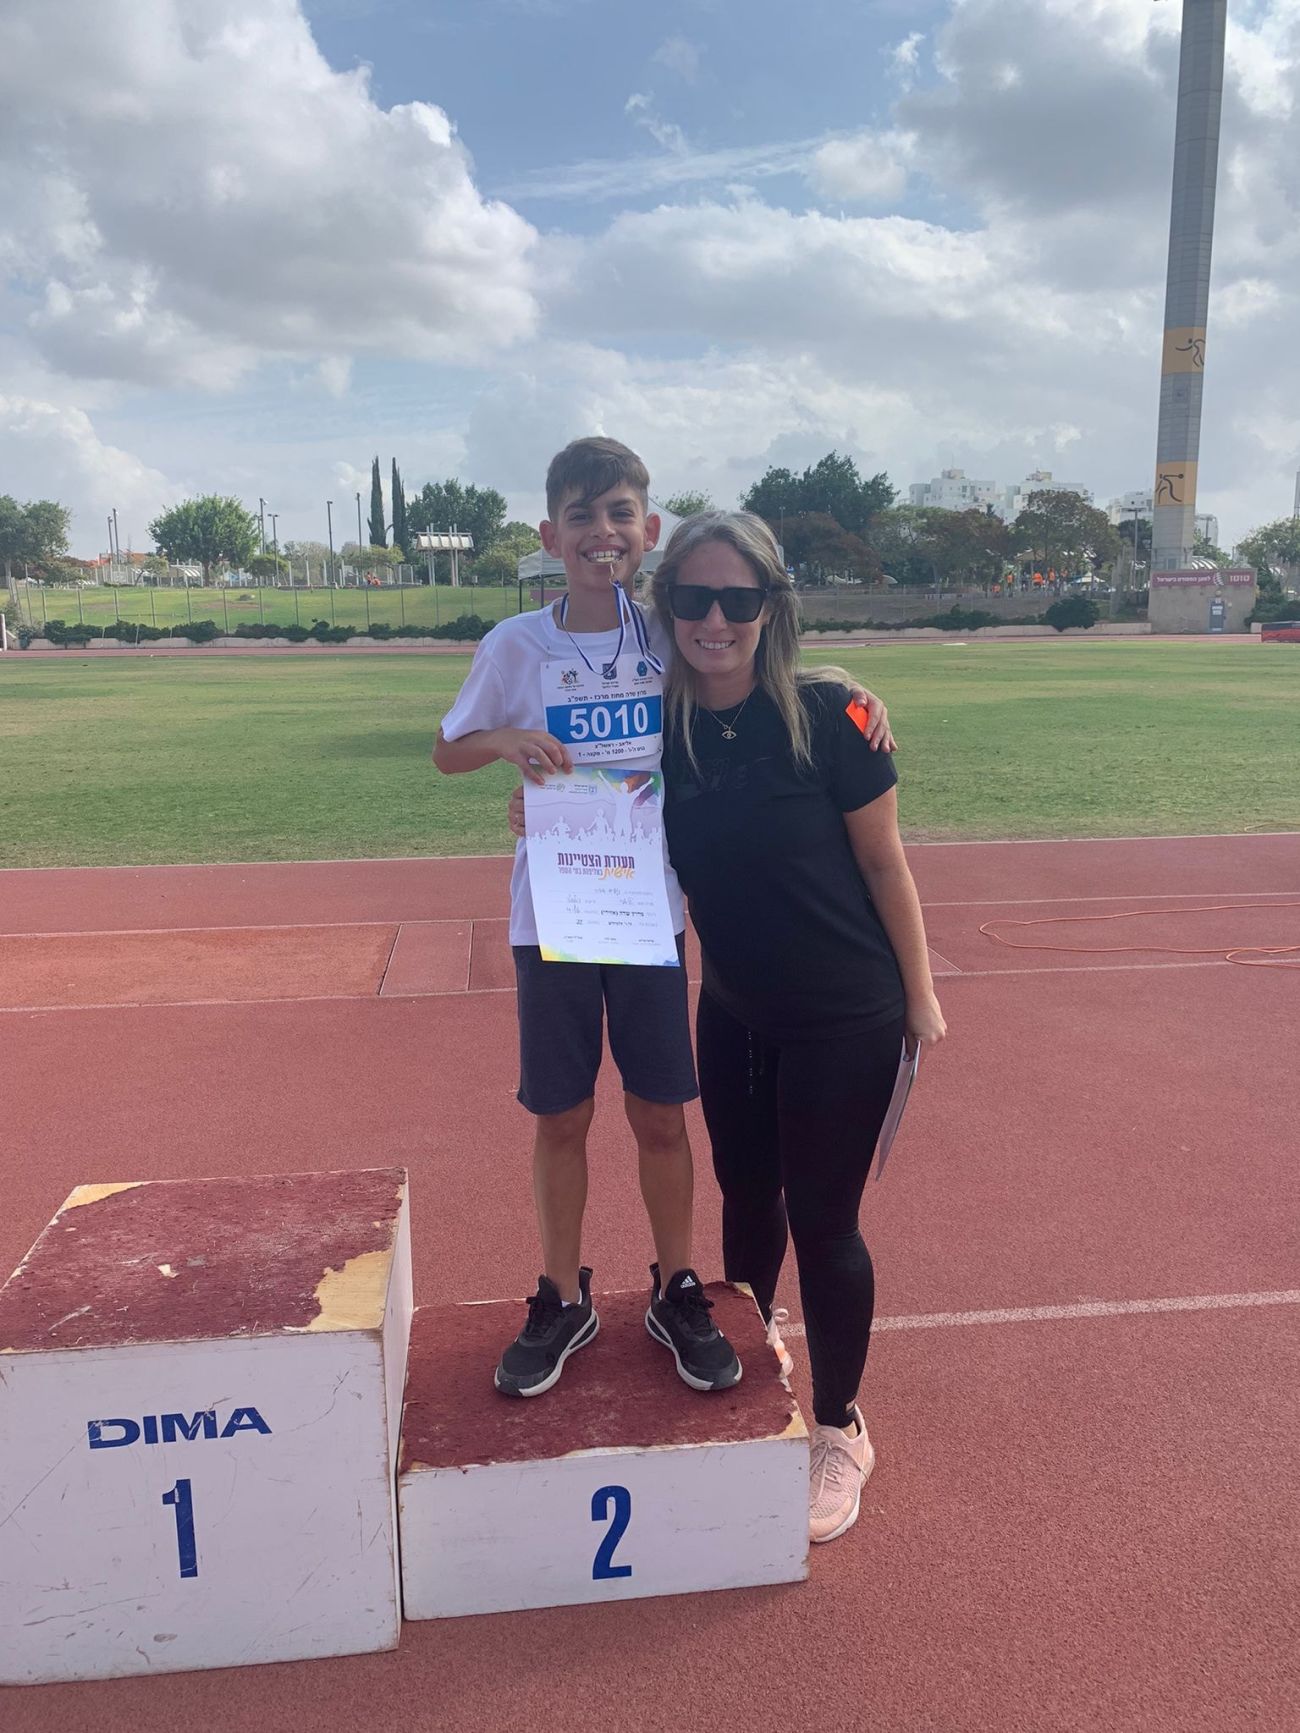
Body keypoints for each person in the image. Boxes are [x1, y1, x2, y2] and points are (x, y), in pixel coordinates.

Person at [646, 510, 947, 1544]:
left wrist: (921, 996)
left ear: (771, 607)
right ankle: (751, 1349)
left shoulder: (833, 716)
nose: (714, 618)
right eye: (693, 597)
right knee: (746, 1194)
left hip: (843, 1013)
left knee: (825, 1221)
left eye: (738, 597)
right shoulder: (659, 725)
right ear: (668, 606)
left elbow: (884, 864)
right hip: (733, 1007)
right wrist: (534, 811)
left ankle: (840, 1425)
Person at [434, 441, 751, 1398]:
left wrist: (854, 690)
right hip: (554, 916)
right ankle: (562, 1294)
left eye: (619, 514)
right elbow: (449, 749)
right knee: (562, 1113)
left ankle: (676, 1285)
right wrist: (508, 743)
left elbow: (754, 666)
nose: (601, 533)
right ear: (550, 535)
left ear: (648, 530)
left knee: (660, 1111)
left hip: (647, 911)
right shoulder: (515, 644)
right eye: (581, 516)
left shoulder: (668, 633)